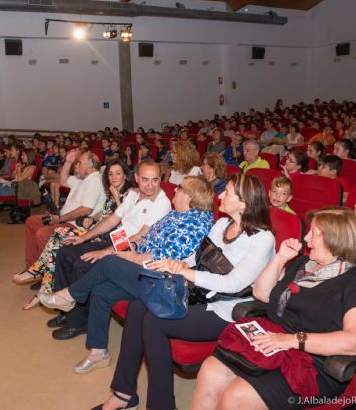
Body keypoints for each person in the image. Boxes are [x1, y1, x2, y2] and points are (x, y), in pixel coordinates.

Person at [91, 174, 276, 410]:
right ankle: (122, 394)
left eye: (227, 193)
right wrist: (176, 263)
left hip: (226, 310)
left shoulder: (262, 239)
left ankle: (161, 406)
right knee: (139, 306)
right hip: (199, 295)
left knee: (154, 322)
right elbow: (197, 257)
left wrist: (188, 274)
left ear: (244, 203)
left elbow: (234, 284)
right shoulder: (222, 225)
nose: (220, 195)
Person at [193, 207, 356, 410]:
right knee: (210, 370)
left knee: (237, 395)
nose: (307, 239)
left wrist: (291, 340)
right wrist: (281, 258)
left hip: (314, 363)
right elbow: (261, 293)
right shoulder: (302, 264)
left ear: (337, 240)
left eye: (315, 234)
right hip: (272, 342)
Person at [38, 176, 215, 374]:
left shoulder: (196, 222)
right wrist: (127, 249)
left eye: (180, 189)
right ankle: (98, 352)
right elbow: (147, 239)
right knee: (101, 290)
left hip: (163, 280)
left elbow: (164, 256)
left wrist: (129, 257)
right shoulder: (176, 215)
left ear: (191, 197)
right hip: (146, 268)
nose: (174, 190)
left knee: (109, 264)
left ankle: (68, 295)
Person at [48, 160, 171, 340]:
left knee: (82, 263)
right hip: (116, 240)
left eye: (155, 180)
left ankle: (79, 321)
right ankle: (66, 311)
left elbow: (140, 236)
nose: (151, 185)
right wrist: (84, 237)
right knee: (66, 253)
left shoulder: (162, 203)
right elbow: (113, 220)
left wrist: (106, 251)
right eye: (145, 180)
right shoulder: (133, 194)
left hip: (129, 249)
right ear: (136, 178)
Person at [12, 160, 132, 310]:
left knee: (59, 239)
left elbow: (127, 221)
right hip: (96, 231)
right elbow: (103, 215)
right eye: (110, 174)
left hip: (110, 239)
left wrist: (116, 198)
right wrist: (92, 219)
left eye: (118, 173)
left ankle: (38, 276)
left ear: (126, 176)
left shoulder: (130, 194)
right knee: (59, 234)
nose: (114, 177)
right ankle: (43, 282)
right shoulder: (111, 192)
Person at [24, 150, 107, 267]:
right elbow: (63, 181)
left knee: (42, 234)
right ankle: (33, 267)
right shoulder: (82, 179)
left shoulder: (95, 180)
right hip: (65, 220)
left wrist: (60, 219)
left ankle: (49, 274)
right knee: (31, 222)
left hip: (76, 225)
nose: (76, 165)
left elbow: (85, 210)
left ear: (91, 166)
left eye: (79, 163)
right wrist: (68, 162)